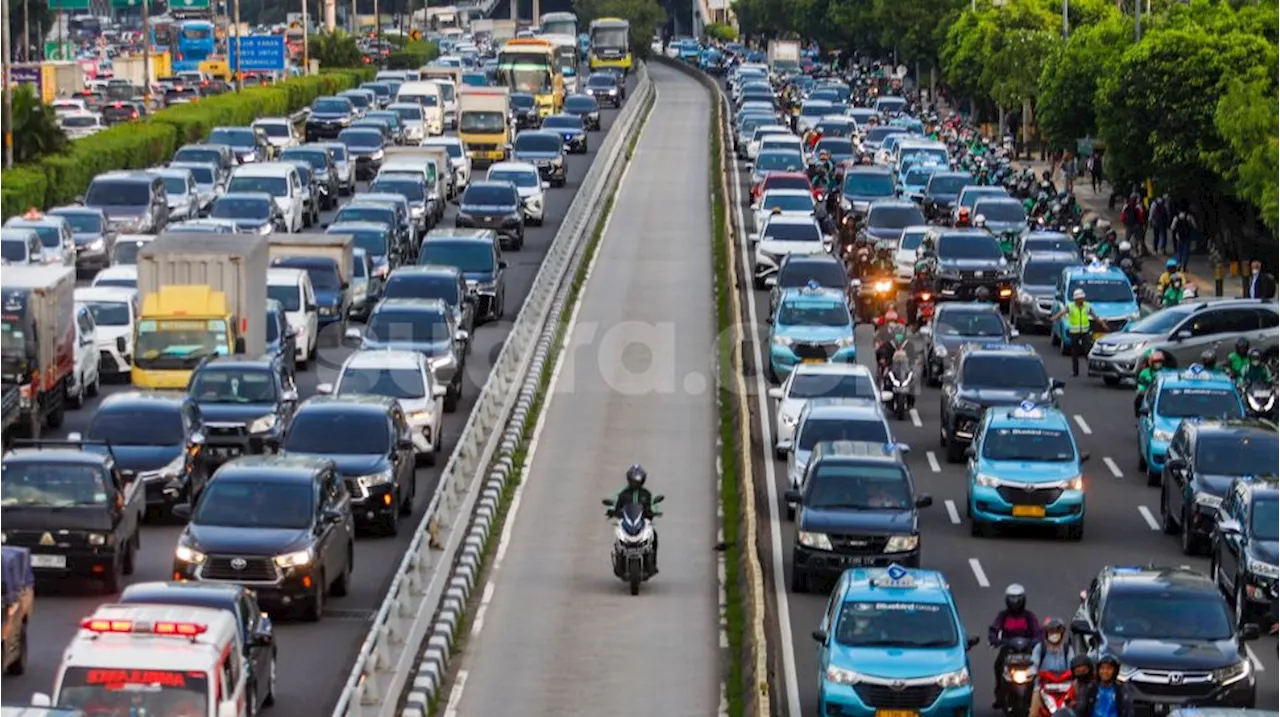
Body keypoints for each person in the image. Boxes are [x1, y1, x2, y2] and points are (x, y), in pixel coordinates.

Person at [989, 584, 1041, 709]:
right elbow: (994, 629)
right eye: (1012, 598)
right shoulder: (1003, 615)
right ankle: (1000, 695)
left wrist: (1037, 640)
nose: (1015, 602)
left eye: (1018, 598)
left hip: (1027, 651)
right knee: (998, 666)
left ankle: (1037, 694)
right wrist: (994, 639)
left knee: (1038, 670)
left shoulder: (1029, 616)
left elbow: (1038, 632)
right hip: (1008, 650)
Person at [607, 464, 660, 571]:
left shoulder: (647, 494)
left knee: (654, 535)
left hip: (642, 522)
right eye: (634, 479)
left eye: (638, 480)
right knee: (618, 536)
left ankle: (652, 563)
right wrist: (612, 511)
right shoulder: (622, 493)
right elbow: (615, 504)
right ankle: (619, 559)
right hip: (626, 522)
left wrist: (654, 512)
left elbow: (654, 505)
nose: (636, 482)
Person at [1050, 289, 1107, 377]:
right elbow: (1062, 312)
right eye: (1079, 298)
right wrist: (1054, 318)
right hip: (1074, 332)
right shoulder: (1071, 306)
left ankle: (1091, 370)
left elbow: (1094, 316)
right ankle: (1075, 371)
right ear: (1075, 299)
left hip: (1085, 331)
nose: (1081, 300)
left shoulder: (1087, 306)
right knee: (1074, 353)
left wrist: (1102, 323)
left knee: (1088, 351)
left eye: (1082, 298)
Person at [1027, 617, 1073, 717]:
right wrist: (1032, 672)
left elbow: (1073, 666)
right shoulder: (1040, 648)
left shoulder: (1067, 649)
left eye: (1057, 631)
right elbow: (1034, 664)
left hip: (1065, 687)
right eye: (1052, 632)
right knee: (1033, 713)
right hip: (1043, 686)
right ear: (1046, 634)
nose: (1054, 634)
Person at [1134, 350, 1165, 417]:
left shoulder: (1164, 371)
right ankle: (1139, 416)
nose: (1158, 364)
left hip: (1160, 391)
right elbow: (1140, 382)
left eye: (1160, 362)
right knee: (1138, 401)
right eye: (1156, 362)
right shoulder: (1145, 372)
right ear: (1151, 362)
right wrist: (1143, 386)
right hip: (1147, 391)